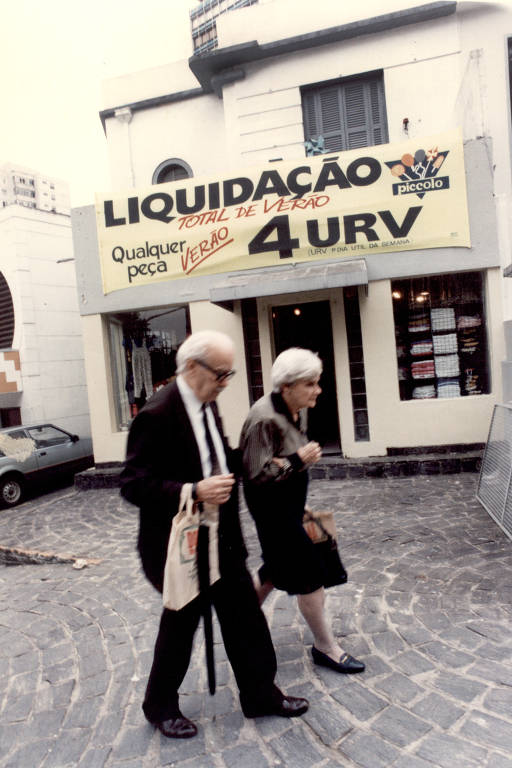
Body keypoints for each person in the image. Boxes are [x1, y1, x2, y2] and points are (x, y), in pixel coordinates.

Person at [120, 330, 309, 739]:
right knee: (181, 626)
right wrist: (192, 490)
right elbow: (132, 484)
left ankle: (260, 694)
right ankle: (159, 706)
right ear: (191, 367)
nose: (226, 382)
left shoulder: (207, 403)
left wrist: (275, 461)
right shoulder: (156, 414)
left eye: (230, 374)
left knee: (245, 618)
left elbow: (217, 456)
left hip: (221, 538)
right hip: (178, 545)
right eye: (221, 374)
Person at [239, 347, 365, 675]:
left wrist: (299, 495)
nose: (318, 390)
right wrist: (298, 461)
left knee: (274, 568)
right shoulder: (263, 417)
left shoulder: (298, 408)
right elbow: (254, 472)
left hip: (289, 504)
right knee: (310, 575)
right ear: (287, 386)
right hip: (271, 511)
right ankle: (325, 646)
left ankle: (238, 621)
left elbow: (288, 457)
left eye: (317, 382)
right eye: (310, 384)